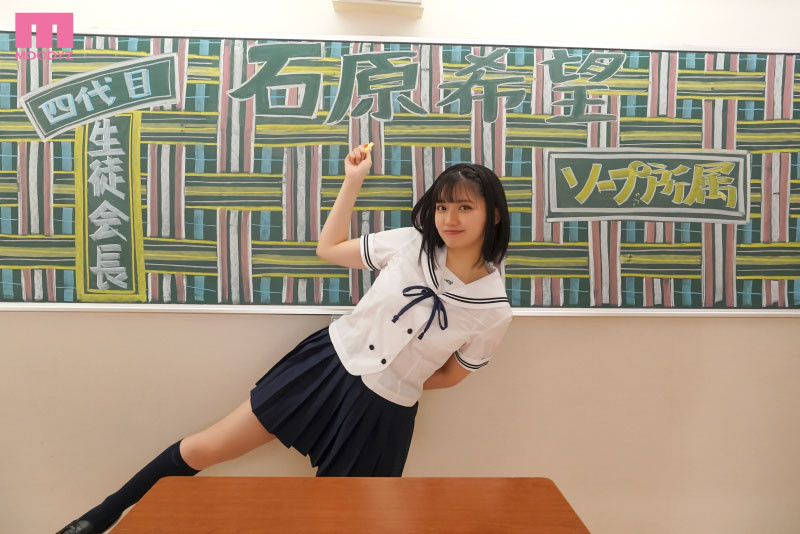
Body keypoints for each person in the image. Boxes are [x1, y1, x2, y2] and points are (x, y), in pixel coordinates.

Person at [56, 144, 513, 534]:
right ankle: (97, 519)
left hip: (384, 413)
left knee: (340, 521)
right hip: (326, 367)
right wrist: (353, 180)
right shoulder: (411, 244)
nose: (449, 218)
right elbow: (329, 249)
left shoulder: (493, 310)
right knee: (205, 447)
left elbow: (452, 375)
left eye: (464, 208)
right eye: (442, 207)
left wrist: (398, 378)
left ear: (492, 215)